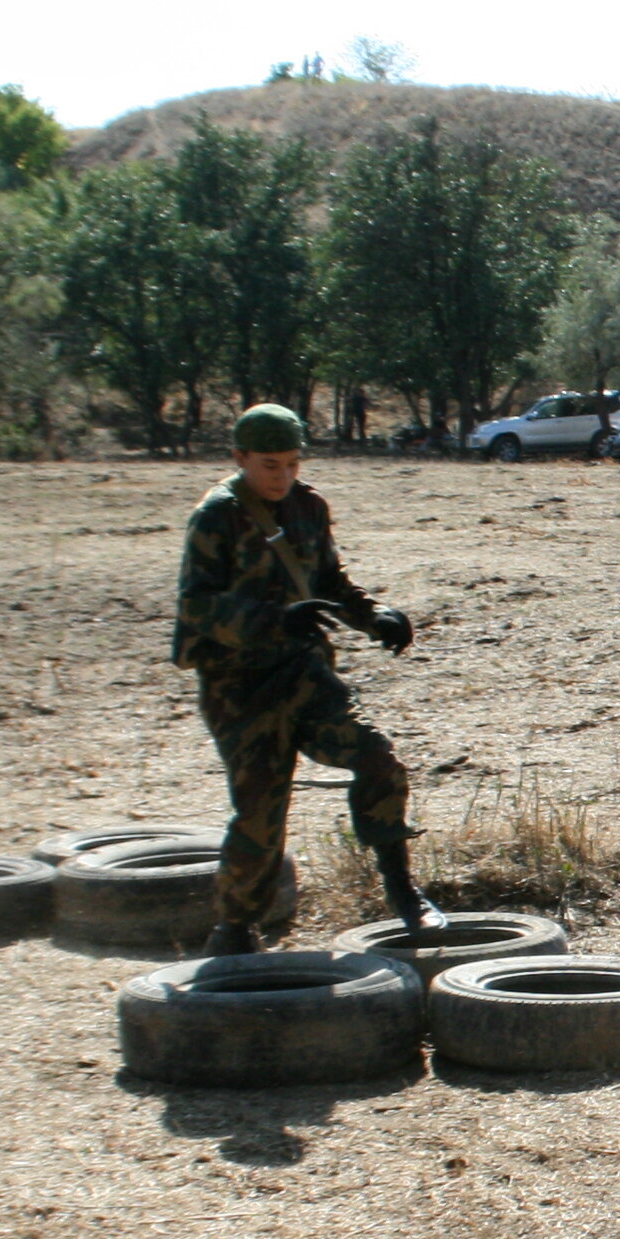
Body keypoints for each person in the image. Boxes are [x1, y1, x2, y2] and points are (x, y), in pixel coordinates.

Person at [170, 402, 437, 957]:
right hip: (238, 685)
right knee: (261, 808)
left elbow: (330, 580)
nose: (282, 476)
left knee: (378, 761)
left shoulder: (308, 506)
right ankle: (237, 926)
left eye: (292, 463)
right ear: (239, 457)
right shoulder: (215, 516)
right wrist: (269, 620)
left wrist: (375, 615)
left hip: (305, 673)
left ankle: (402, 892)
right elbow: (194, 607)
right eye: (269, 465)